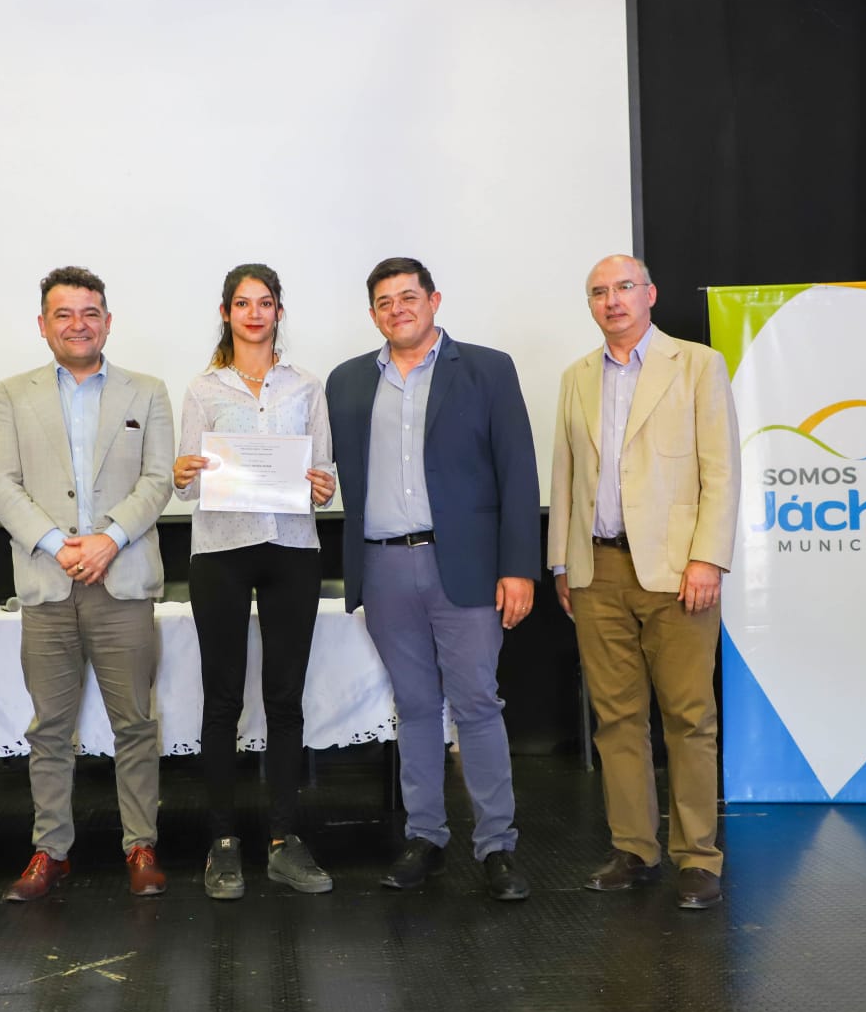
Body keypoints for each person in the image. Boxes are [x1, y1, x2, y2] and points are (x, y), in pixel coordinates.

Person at [326, 256, 542, 902]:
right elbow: (324, 467)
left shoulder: (488, 369)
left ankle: (497, 846)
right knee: (415, 706)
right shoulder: (346, 381)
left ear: (434, 300)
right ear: (373, 314)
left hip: (466, 566)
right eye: (384, 302)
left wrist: (518, 567)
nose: (397, 309)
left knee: (476, 704)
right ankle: (425, 838)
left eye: (408, 297)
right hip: (383, 566)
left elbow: (518, 471)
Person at [549, 254, 739, 910]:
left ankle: (698, 857)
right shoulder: (576, 377)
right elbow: (565, 475)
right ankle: (634, 849)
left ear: (650, 294)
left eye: (624, 287)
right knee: (616, 719)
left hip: (678, 569)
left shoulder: (698, 365)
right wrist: (562, 563)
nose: (612, 300)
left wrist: (708, 558)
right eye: (598, 291)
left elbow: (722, 470)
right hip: (596, 568)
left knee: (689, 716)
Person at [0, 265, 175, 901]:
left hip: (123, 580)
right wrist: (55, 544)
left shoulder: (147, 392)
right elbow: (1, 484)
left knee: (135, 725)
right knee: (49, 729)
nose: (78, 324)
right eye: (63, 314)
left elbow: (158, 481)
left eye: (90, 312)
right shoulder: (13, 394)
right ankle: (50, 851)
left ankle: (140, 846)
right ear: (43, 325)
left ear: (108, 322)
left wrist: (108, 539)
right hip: (48, 580)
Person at [173, 264, 337, 900]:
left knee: (285, 698)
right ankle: (222, 844)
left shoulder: (307, 386)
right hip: (221, 548)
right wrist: (184, 474)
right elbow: (187, 484)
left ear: (278, 312)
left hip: (292, 546)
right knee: (222, 700)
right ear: (226, 313)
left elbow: (323, 476)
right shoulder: (202, 388)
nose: (254, 314)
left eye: (264, 303)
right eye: (242, 304)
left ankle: (284, 840)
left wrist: (322, 484)